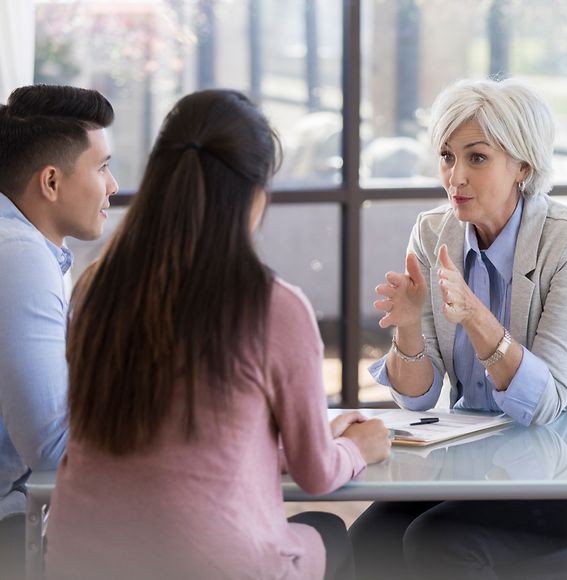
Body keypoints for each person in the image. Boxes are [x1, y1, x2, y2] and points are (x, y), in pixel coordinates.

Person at [44, 89, 391, 580]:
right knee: (327, 532)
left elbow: (163, 441)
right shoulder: (275, 305)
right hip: (211, 566)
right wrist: (360, 448)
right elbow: (316, 474)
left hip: (79, 557)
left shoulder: (95, 285)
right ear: (253, 192)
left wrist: (286, 445)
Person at [351, 78, 567, 579]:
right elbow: (419, 399)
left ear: (523, 167)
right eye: (447, 157)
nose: (456, 177)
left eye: (477, 157)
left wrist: (476, 318)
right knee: (370, 539)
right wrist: (407, 330)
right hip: (478, 455)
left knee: (437, 542)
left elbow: (543, 403)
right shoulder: (433, 231)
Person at [0, 84, 117, 579]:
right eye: (103, 167)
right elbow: (51, 448)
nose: (113, 186)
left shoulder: (27, 246)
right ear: (50, 181)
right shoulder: (18, 255)